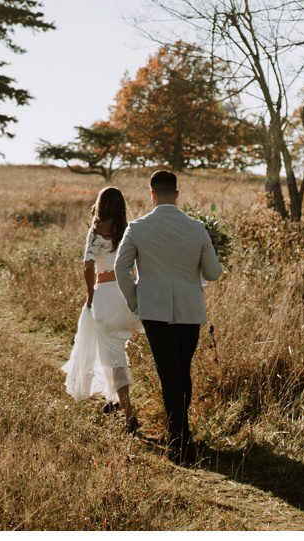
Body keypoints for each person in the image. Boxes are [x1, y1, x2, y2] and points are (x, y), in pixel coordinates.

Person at [114, 169, 222, 463]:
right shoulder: (197, 229)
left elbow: (121, 269)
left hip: (154, 310)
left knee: (168, 372)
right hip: (189, 309)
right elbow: (213, 272)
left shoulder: (137, 229)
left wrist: (136, 300)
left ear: (151, 194)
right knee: (182, 371)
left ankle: (179, 439)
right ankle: (182, 436)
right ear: (177, 193)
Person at [61, 186, 142, 431]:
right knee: (115, 349)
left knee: (113, 353)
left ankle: (128, 412)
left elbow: (87, 267)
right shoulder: (129, 231)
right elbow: (138, 262)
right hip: (128, 295)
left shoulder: (95, 233)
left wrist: (90, 296)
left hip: (105, 295)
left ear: (100, 204)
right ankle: (114, 398)